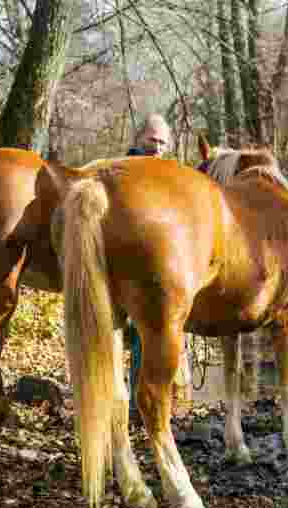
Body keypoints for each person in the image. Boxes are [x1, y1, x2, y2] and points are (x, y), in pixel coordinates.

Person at [124, 114, 174, 418]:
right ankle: (135, 407)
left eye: (162, 142)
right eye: (151, 140)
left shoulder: (166, 173)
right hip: (127, 268)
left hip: (157, 270)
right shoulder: (124, 170)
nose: (156, 147)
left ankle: (141, 406)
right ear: (137, 139)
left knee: (149, 337)